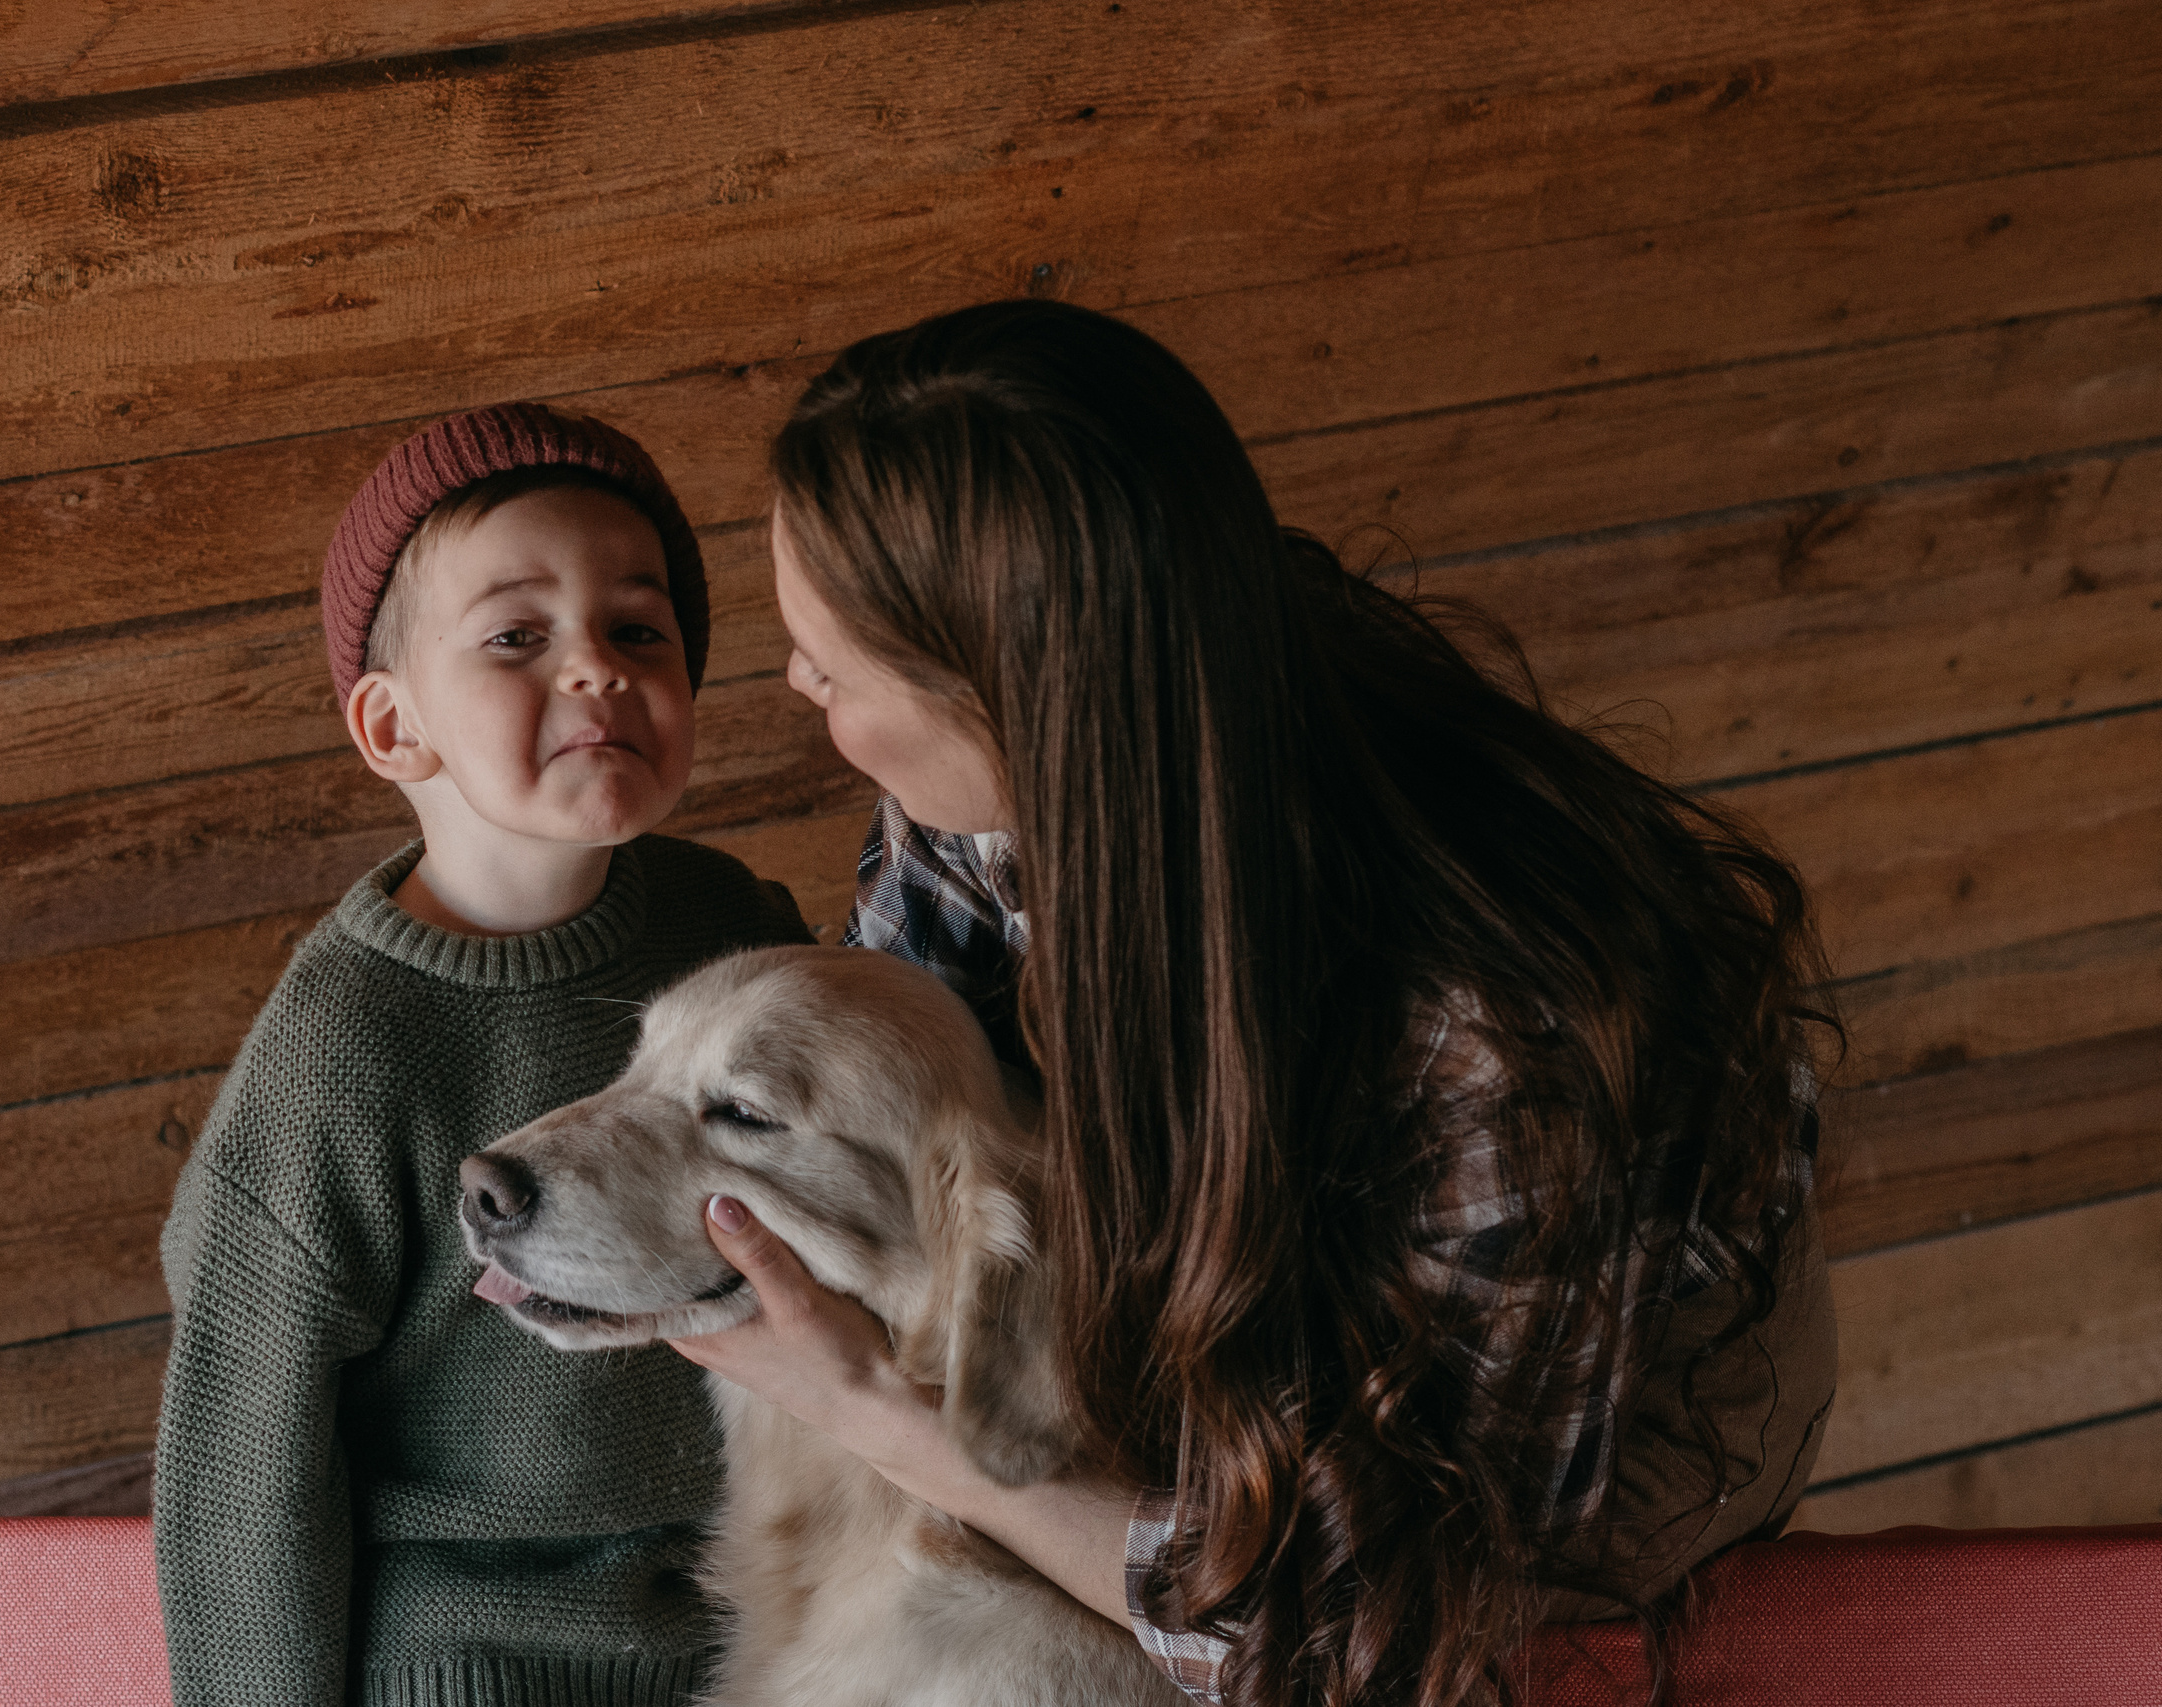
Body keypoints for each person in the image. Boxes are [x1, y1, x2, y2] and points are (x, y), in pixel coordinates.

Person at [668, 301, 1838, 1707]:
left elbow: (1351, 1642)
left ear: (1011, 697)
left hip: (1570, 1462)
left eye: (835, 672)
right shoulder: (1042, 752)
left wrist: (896, 1423)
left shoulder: (1502, 1041)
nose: (799, 683)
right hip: (1219, 1299)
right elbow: (911, 1108)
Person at [153, 403, 811, 1707]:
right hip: (475, 1648)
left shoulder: (730, 926)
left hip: (756, 1593)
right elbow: (244, 1473)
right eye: (518, 637)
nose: (597, 670)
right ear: (397, 729)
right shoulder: (342, 1056)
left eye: (639, 630)